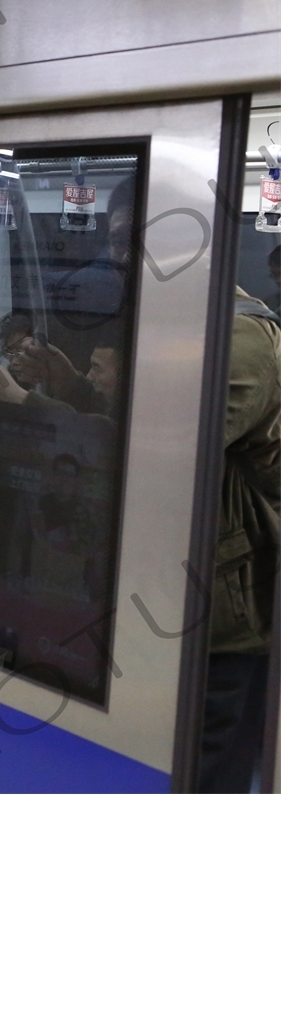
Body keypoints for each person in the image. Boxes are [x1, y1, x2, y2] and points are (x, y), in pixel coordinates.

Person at [199, 285, 280, 792]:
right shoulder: (201, 324)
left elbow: (169, 443)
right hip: (206, 580)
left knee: (209, 761)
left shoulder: (243, 333)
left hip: (230, 595)